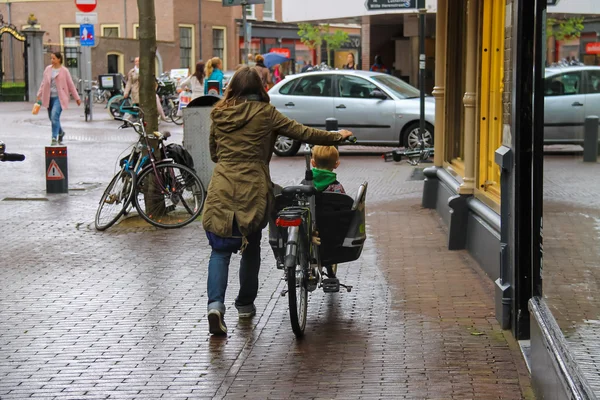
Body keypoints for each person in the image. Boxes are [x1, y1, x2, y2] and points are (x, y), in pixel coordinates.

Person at [203, 66, 353, 335]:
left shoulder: (219, 114)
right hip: (253, 186)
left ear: (233, 88)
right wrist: (336, 136)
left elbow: (214, 154)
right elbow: (303, 133)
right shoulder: (266, 114)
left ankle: (215, 305)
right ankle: (245, 305)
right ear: (259, 88)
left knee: (220, 250)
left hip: (222, 185)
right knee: (250, 245)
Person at [36, 52, 81, 146]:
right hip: (48, 97)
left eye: (54, 58)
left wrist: (77, 98)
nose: (52, 60)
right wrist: (39, 94)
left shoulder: (64, 71)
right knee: (52, 118)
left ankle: (54, 137)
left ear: (59, 59)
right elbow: (44, 83)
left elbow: (71, 85)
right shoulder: (48, 69)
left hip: (59, 98)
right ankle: (61, 132)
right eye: (51, 58)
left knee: (54, 116)